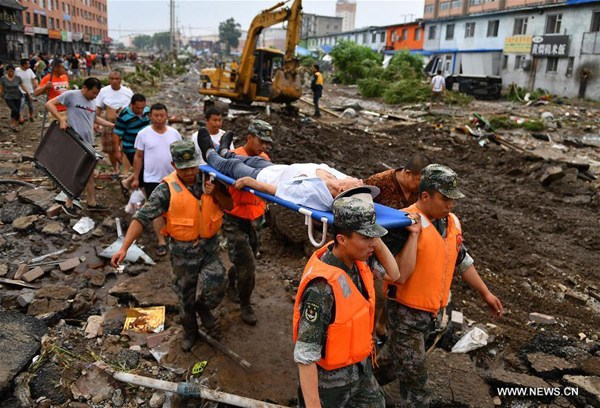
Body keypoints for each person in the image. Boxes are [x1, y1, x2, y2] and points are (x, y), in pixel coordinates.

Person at [383, 164, 503, 407]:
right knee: (418, 390)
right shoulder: (402, 223)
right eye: (445, 199)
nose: (450, 205)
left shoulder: (450, 222)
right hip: (405, 315)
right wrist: (413, 235)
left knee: (395, 363)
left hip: (431, 316)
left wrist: (486, 293)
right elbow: (396, 275)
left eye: (453, 200)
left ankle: (356, 384)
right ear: (425, 196)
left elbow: (462, 260)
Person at [111, 140, 233, 352]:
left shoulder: (211, 178)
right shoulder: (165, 190)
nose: (190, 172)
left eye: (193, 167)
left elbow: (230, 205)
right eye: (184, 169)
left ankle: (203, 307)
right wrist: (124, 247)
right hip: (182, 253)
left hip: (209, 248)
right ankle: (190, 331)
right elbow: (141, 218)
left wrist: (216, 193)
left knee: (217, 283)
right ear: (174, 165)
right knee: (184, 296)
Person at [293, 192, 405, 407]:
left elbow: (394, 274)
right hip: (329, 385)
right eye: (365, 237)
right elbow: (305, 356)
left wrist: (372, 238)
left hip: (360, 370)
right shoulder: (321, 289)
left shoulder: (359, 260)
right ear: (342, 239)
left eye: (373, 237)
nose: (372, 243)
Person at [196, 124, 363, 211]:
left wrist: (252, 182)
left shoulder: (317, 194)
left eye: (356, 183)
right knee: (245, 158)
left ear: (343, 190)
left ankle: (209, 153)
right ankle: (225, 150)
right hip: (276, 169)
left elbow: (281, 191)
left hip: (263, 178)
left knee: (232, 165)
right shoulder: (338, 178)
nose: (359, 179)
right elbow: (364, 186)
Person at [364, 153, 432, 340]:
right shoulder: (379, 183)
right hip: (379, 245)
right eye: (419, 181)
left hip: (405, 244)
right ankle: (368, 333)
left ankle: (381, 326)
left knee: (397, 292)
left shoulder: (421, 192)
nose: (421, 187)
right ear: (408, 173)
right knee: (379, 294)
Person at [222, 120, 273, 326]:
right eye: (262, 141)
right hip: (235, 218)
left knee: (246, 259)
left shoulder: (264, 159)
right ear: (249, 137)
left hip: (255, 219)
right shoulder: (233, 158)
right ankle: (245, 303)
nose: (265, 147)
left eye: (268, 143)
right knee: (248, 264)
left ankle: (231, 282)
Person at [46, 77, 115, 216]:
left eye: (97, 94)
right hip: (74, 141)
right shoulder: (71, 95)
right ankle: (68, 203)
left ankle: (92, 203)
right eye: (93, 93)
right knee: (74, 172)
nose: (95, 96)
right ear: (85, 88)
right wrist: (60, 120)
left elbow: (94, 118)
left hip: (88, 142)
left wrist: (112, 125)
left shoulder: (92, 101)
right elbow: (49, 104)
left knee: (89, 173)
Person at [132, 103, 182, 257]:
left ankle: (177, 236)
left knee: (175, 207)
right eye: (156, 116)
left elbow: (180, 155)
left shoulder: (174, 133)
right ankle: (161, 241)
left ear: (167, 115)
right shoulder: (143, 134)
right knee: (156, 211)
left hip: (173, 177)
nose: (159, 119)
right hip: (151, 179)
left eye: (162, 115)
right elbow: (138, 157)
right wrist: (135, 178)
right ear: (150, 116)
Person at [95, 70, 134, 177]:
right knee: (111, 148)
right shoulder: (103, 91)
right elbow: (98, 108)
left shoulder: (128, 92)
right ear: (109, 79)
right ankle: (115, 169)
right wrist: (95, 122)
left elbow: (133, 108)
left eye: (117, 79)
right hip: (109, 122)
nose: (114, 81)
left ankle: (125, 171)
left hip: (126, 122)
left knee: (126, 146)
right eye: (112, 79)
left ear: (120, 80)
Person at [113, 93, 151, 195]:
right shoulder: (124, 115)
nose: (140, 111)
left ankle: (126, 181)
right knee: (142, 172)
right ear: (132, 105)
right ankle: (145, 196)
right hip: (131, 147)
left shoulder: (147, 111)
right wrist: (117, 151)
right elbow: (117, 133)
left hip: (146, 146)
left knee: (146, 168)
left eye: (142, 108)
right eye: (138, 108)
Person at [1, 65, 35, 132]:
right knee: (15, 110)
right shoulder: (3, 78)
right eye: (9, 71)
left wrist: (29, 95)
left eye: (12, 71)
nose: (11, 73)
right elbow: (1, 88)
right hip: (8, 97)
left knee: (16, 110)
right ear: (7, 71)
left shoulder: (17, 78)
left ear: (14, 71)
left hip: (17, 96)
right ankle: (13, 123)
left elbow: (23, 87)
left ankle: (15, 124)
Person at [15, 59, 39, 123]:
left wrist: (37, 87)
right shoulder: (17, 70)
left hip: (29, 90)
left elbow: (34, 79)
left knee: (30, 105)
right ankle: (21, 118)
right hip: (20, 90)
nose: (29, 65)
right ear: (24, 65)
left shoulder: (30, 70)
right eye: (28, 64)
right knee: (21, 104)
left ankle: (31, 116)